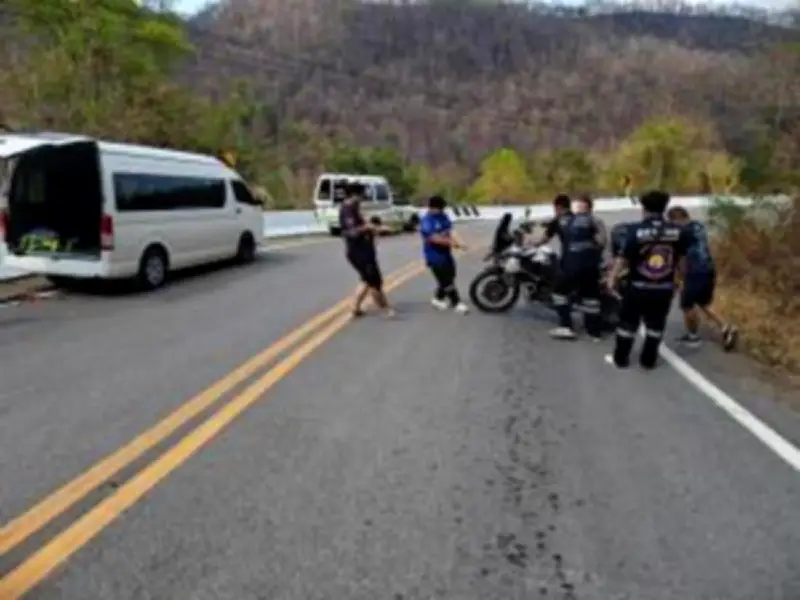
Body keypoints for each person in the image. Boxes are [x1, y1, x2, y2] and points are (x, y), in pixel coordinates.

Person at [605, 190, 692, 369]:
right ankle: (648, 360)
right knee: (656, 325)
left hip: (638, 286)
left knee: (628, 324)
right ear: (664, 207)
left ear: (644, 208)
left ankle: (621, 359)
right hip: (664, 287)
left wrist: (612, 279)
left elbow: (623, 259)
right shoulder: (678, 231)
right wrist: (682, 280)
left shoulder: (635, 231)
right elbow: (682, 259)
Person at [666, 206, 738, 351]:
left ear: (678, 219)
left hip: (695, 271)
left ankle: (693, 335)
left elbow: (681, 257)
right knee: (703, 302)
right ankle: (726, 327)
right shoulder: (698, 226)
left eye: (672, 222)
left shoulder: (682, 232)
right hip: (709, 268)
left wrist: (680, 278)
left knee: (687, 304)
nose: (672, 225)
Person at [536, 194, 606, 340]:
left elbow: (546, 236)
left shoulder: (564, 220)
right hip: (591, 265)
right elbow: (601, 242)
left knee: (559, 292)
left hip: (572, 264)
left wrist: (531, 244)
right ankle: (594, 331)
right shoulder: (595, 221)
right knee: (591, 298)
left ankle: (566, 326)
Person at [339, 182, 395, 318]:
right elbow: (352, 231)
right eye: (362, 195)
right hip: (359, 252)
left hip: (365, 250)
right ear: (354, 195)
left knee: (366, 279)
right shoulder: (347, 210)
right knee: (375, 282)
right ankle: (386, 309)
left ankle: (355, 308)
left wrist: (375, 229)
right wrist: (371, 227)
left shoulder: (355, 208)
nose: (363, 198)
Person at [420, 195, 470, 314]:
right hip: (434, 255)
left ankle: (438, 298)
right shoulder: (427, 221)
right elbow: (434, 238)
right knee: (446, 280)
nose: (441, 211)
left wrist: (460, 241)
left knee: (451, 275)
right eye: (439, 208)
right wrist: (453, 243)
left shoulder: (443, 217)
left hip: (446, 253)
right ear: (432, 208)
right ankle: (456, 303)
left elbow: (451, 230)